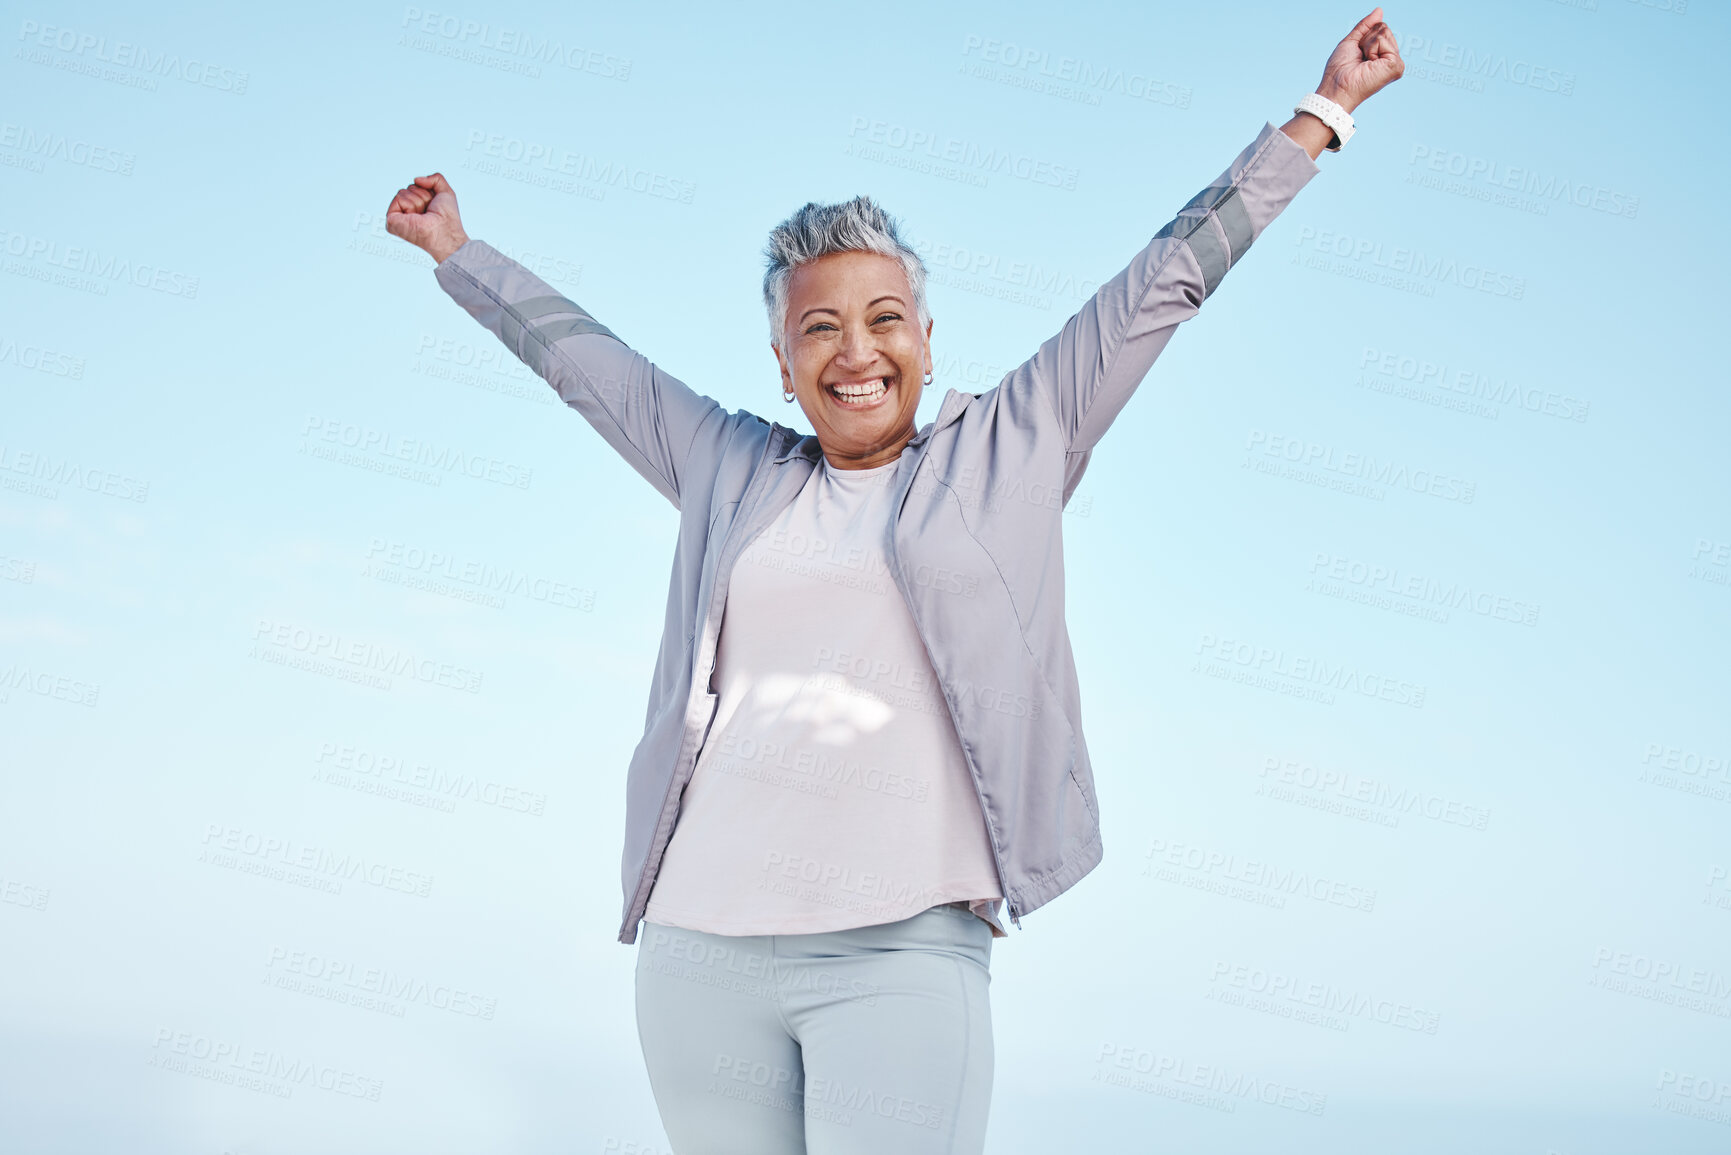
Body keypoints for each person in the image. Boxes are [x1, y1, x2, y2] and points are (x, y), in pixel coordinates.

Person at [386, 10, 1403, 1152]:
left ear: (926, 335)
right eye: (818, 328)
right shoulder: (729, 465)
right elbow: (589, 366)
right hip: (698, 952)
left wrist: (1322, 116)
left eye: (882, 320)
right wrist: (457, 253)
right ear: (783, 364)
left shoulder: (1016, 441)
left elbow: (1163, 281)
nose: (855, 351)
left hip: (901, 951)